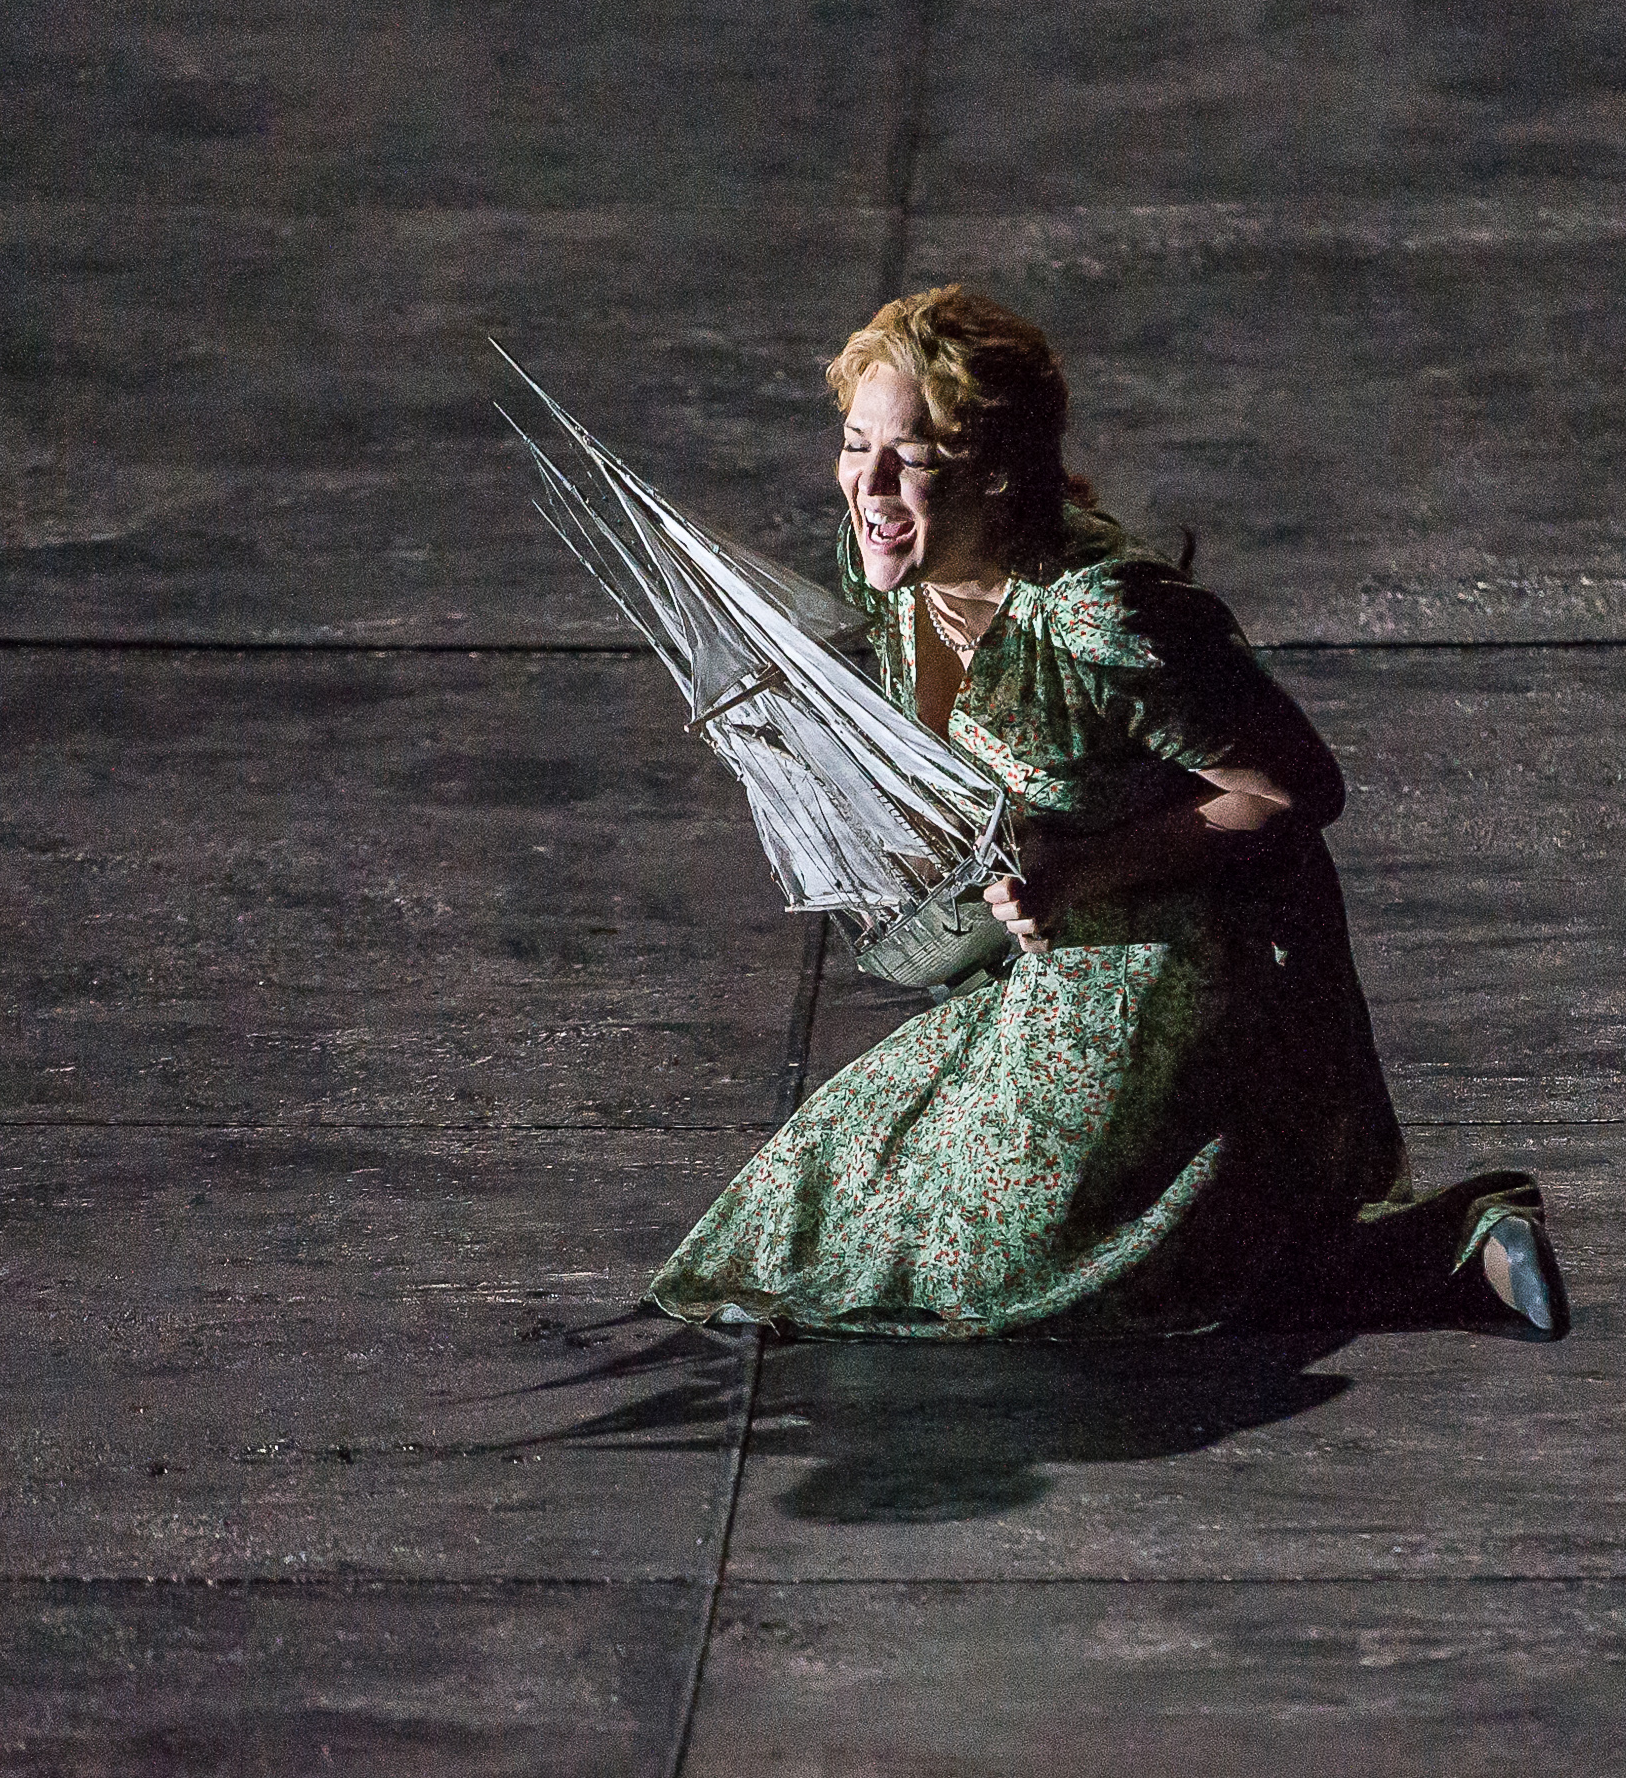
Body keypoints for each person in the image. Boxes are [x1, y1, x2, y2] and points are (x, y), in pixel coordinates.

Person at [649, 285, 1560, 1341]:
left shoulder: (1102, 615)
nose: (871, 484)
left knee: (1006, 1261)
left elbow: (1296, 789)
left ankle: (1440, 1241)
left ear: (997, 470)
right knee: (804, 1214)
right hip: (1045, 942)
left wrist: (1080, 870)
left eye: (914, 457)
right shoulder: (889, 564)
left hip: (1184, 946)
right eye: (856, 446)